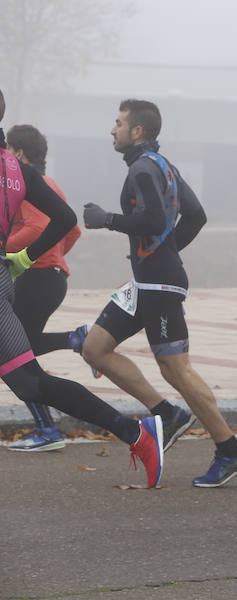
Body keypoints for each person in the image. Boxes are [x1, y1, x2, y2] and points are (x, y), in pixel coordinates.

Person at [78, 99, 237, 487]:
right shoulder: (164, 166)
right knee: (94, 347)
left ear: (137, 131)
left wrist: (106, 220)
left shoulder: (144, 168)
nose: (113, 130)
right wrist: (164, 249)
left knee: (176, 369)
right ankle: (167, 414)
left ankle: (231, 450)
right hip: (146, 282)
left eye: (119, 123)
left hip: (159, 284)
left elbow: (155, 219)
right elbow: (195, 215)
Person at [0, 88, 163, 486]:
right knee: (29, 381)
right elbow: (64, 218)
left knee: (31, 381)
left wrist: (23, 257)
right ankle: (135, 434)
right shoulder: (17, 168)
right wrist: (20, 260)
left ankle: (135, 434)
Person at [4, 124, 82, 451]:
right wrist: (54, 258)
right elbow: (73, 231)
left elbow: (37, 227)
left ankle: (48, 430)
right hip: (50, 277)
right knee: (25, 347)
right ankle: (77, 338)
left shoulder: (24, 183)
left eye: (7, 150)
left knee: (15, 355)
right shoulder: (49, 183)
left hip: (36, 278)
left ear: (19, 153)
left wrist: (7, 252)